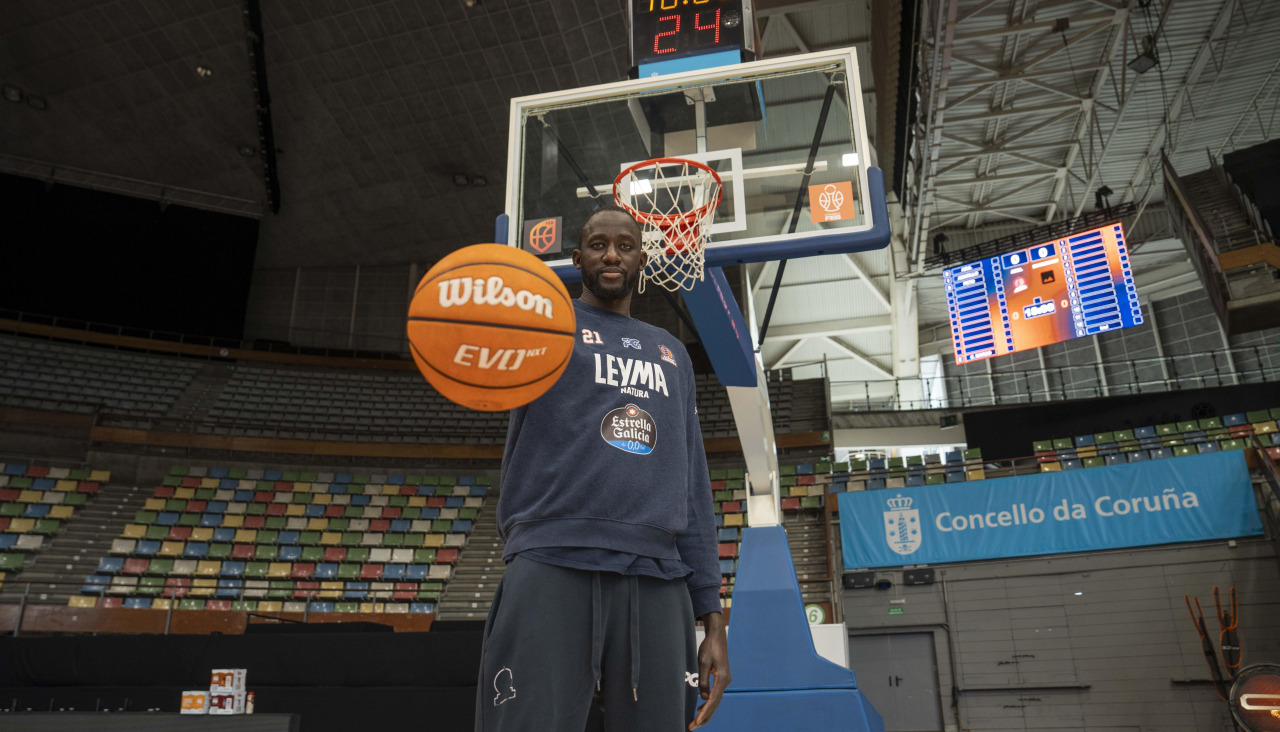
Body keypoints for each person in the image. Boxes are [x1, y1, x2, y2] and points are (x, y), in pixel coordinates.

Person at [475, 205, 730, 732]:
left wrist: (713, 616)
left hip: (658, 574)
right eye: (598, 245)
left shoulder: (672, 354)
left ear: (642, 260)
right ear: (577, 259)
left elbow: (693, 484)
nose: (611, 255)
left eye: (625, 246)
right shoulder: (543, 328)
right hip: (552, 557)